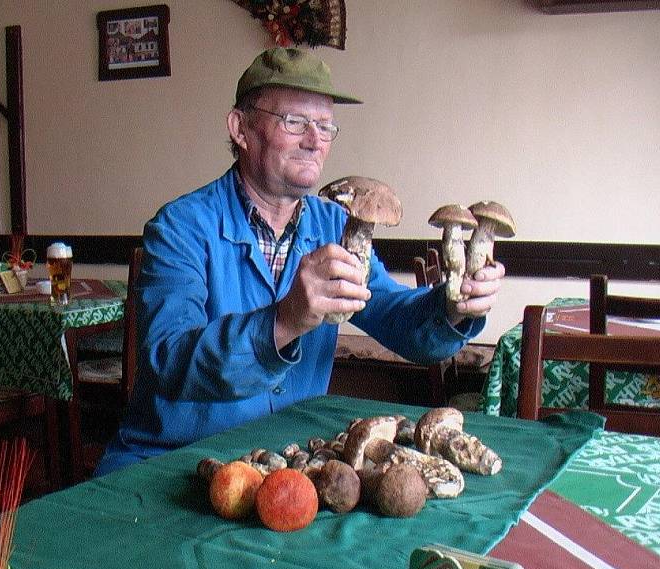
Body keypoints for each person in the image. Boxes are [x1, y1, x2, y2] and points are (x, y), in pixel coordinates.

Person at [95, 47, 505, 476]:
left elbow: (396, 318)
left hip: (283, 469)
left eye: (326, 126)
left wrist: (452, 310)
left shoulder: (336, 225)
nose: (314, 141)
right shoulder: (180, 227)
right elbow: (169, 360)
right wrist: (284, 321)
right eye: (294, 122)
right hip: (172, 463)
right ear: (240, 127)